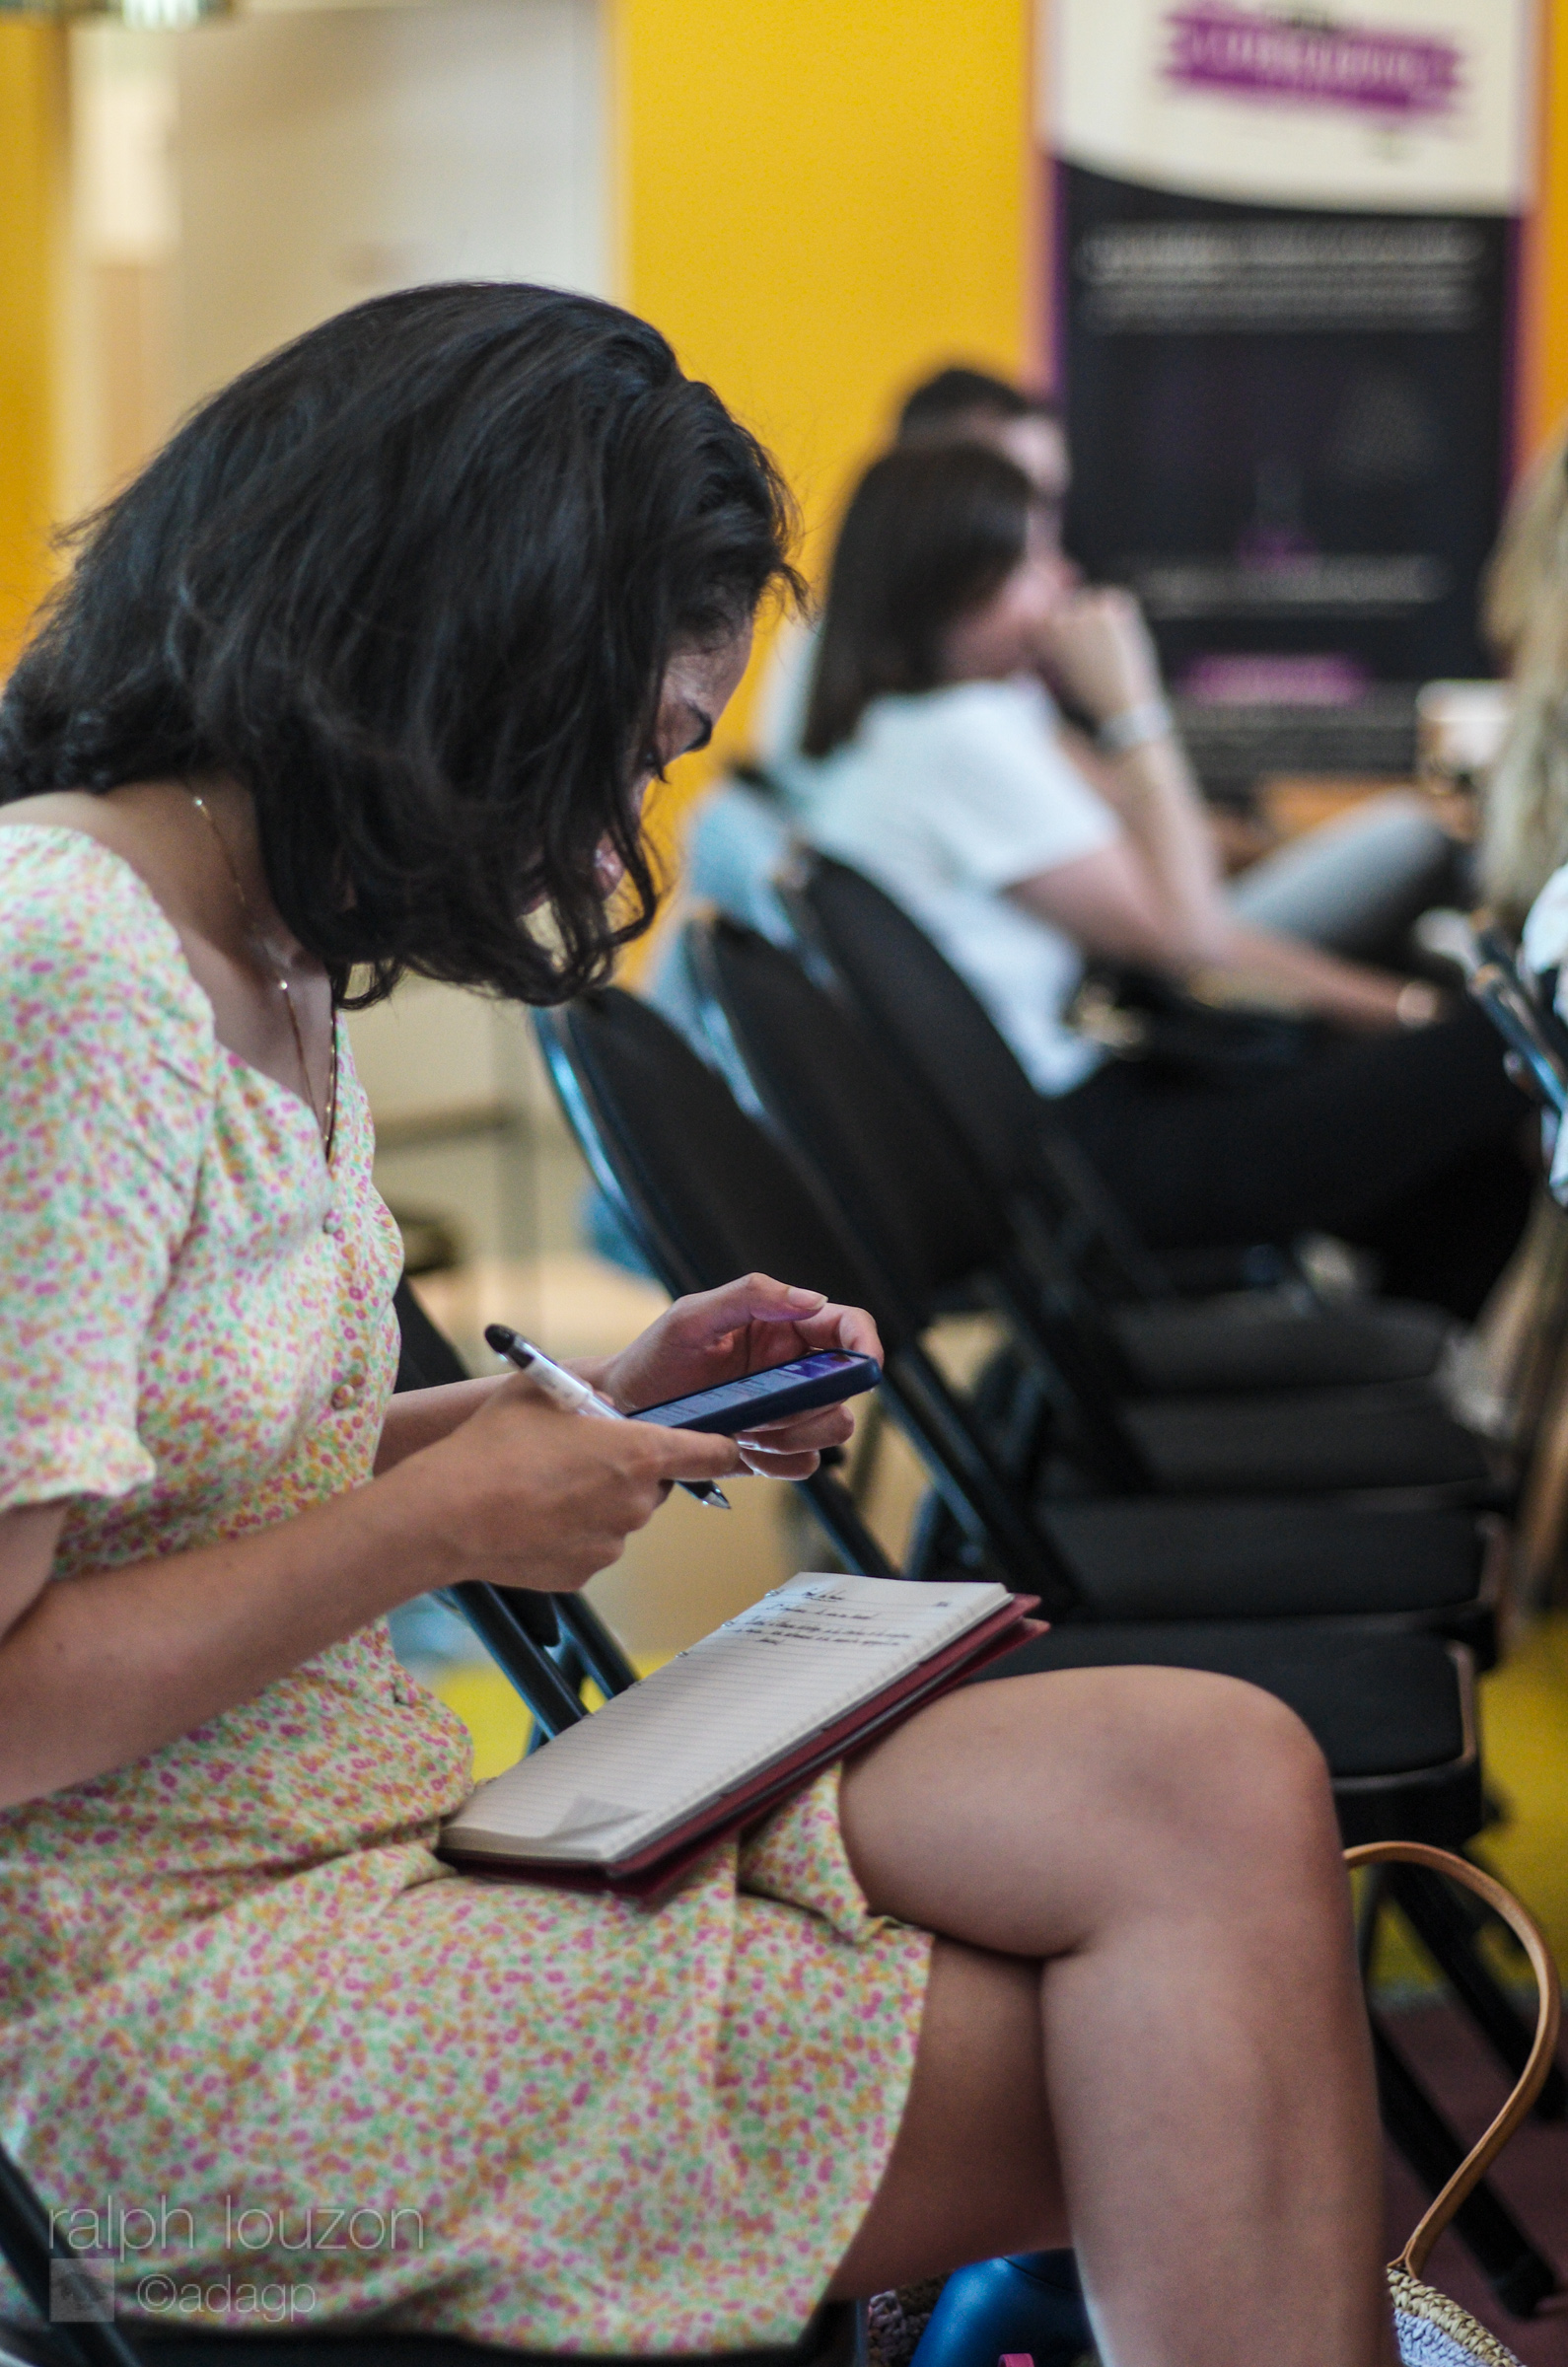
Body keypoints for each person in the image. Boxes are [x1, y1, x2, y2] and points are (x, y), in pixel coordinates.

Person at [0, 282, 1402, 2367]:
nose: (614, 843)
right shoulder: (68, 968)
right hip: (145, 2034)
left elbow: (187, 1483)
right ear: (469, 660)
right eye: (634, 748)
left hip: (342, 1836)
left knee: (1212, 1775)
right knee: (1189, 2074)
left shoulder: (259, 941)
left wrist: (582, 1407)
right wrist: (440, 1520)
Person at [782, 443, 1529, 1316]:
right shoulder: (955, 735)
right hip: (1095, 1165)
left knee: (1447, 1156)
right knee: (1505, 1044)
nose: (1064, 583)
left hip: (1081, 1136)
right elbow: (1192, 935)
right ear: (951, 584)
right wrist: (1132, 704)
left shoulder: (906, 732)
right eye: (1032, 562)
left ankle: (1418, 1381)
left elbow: (1171, 890)